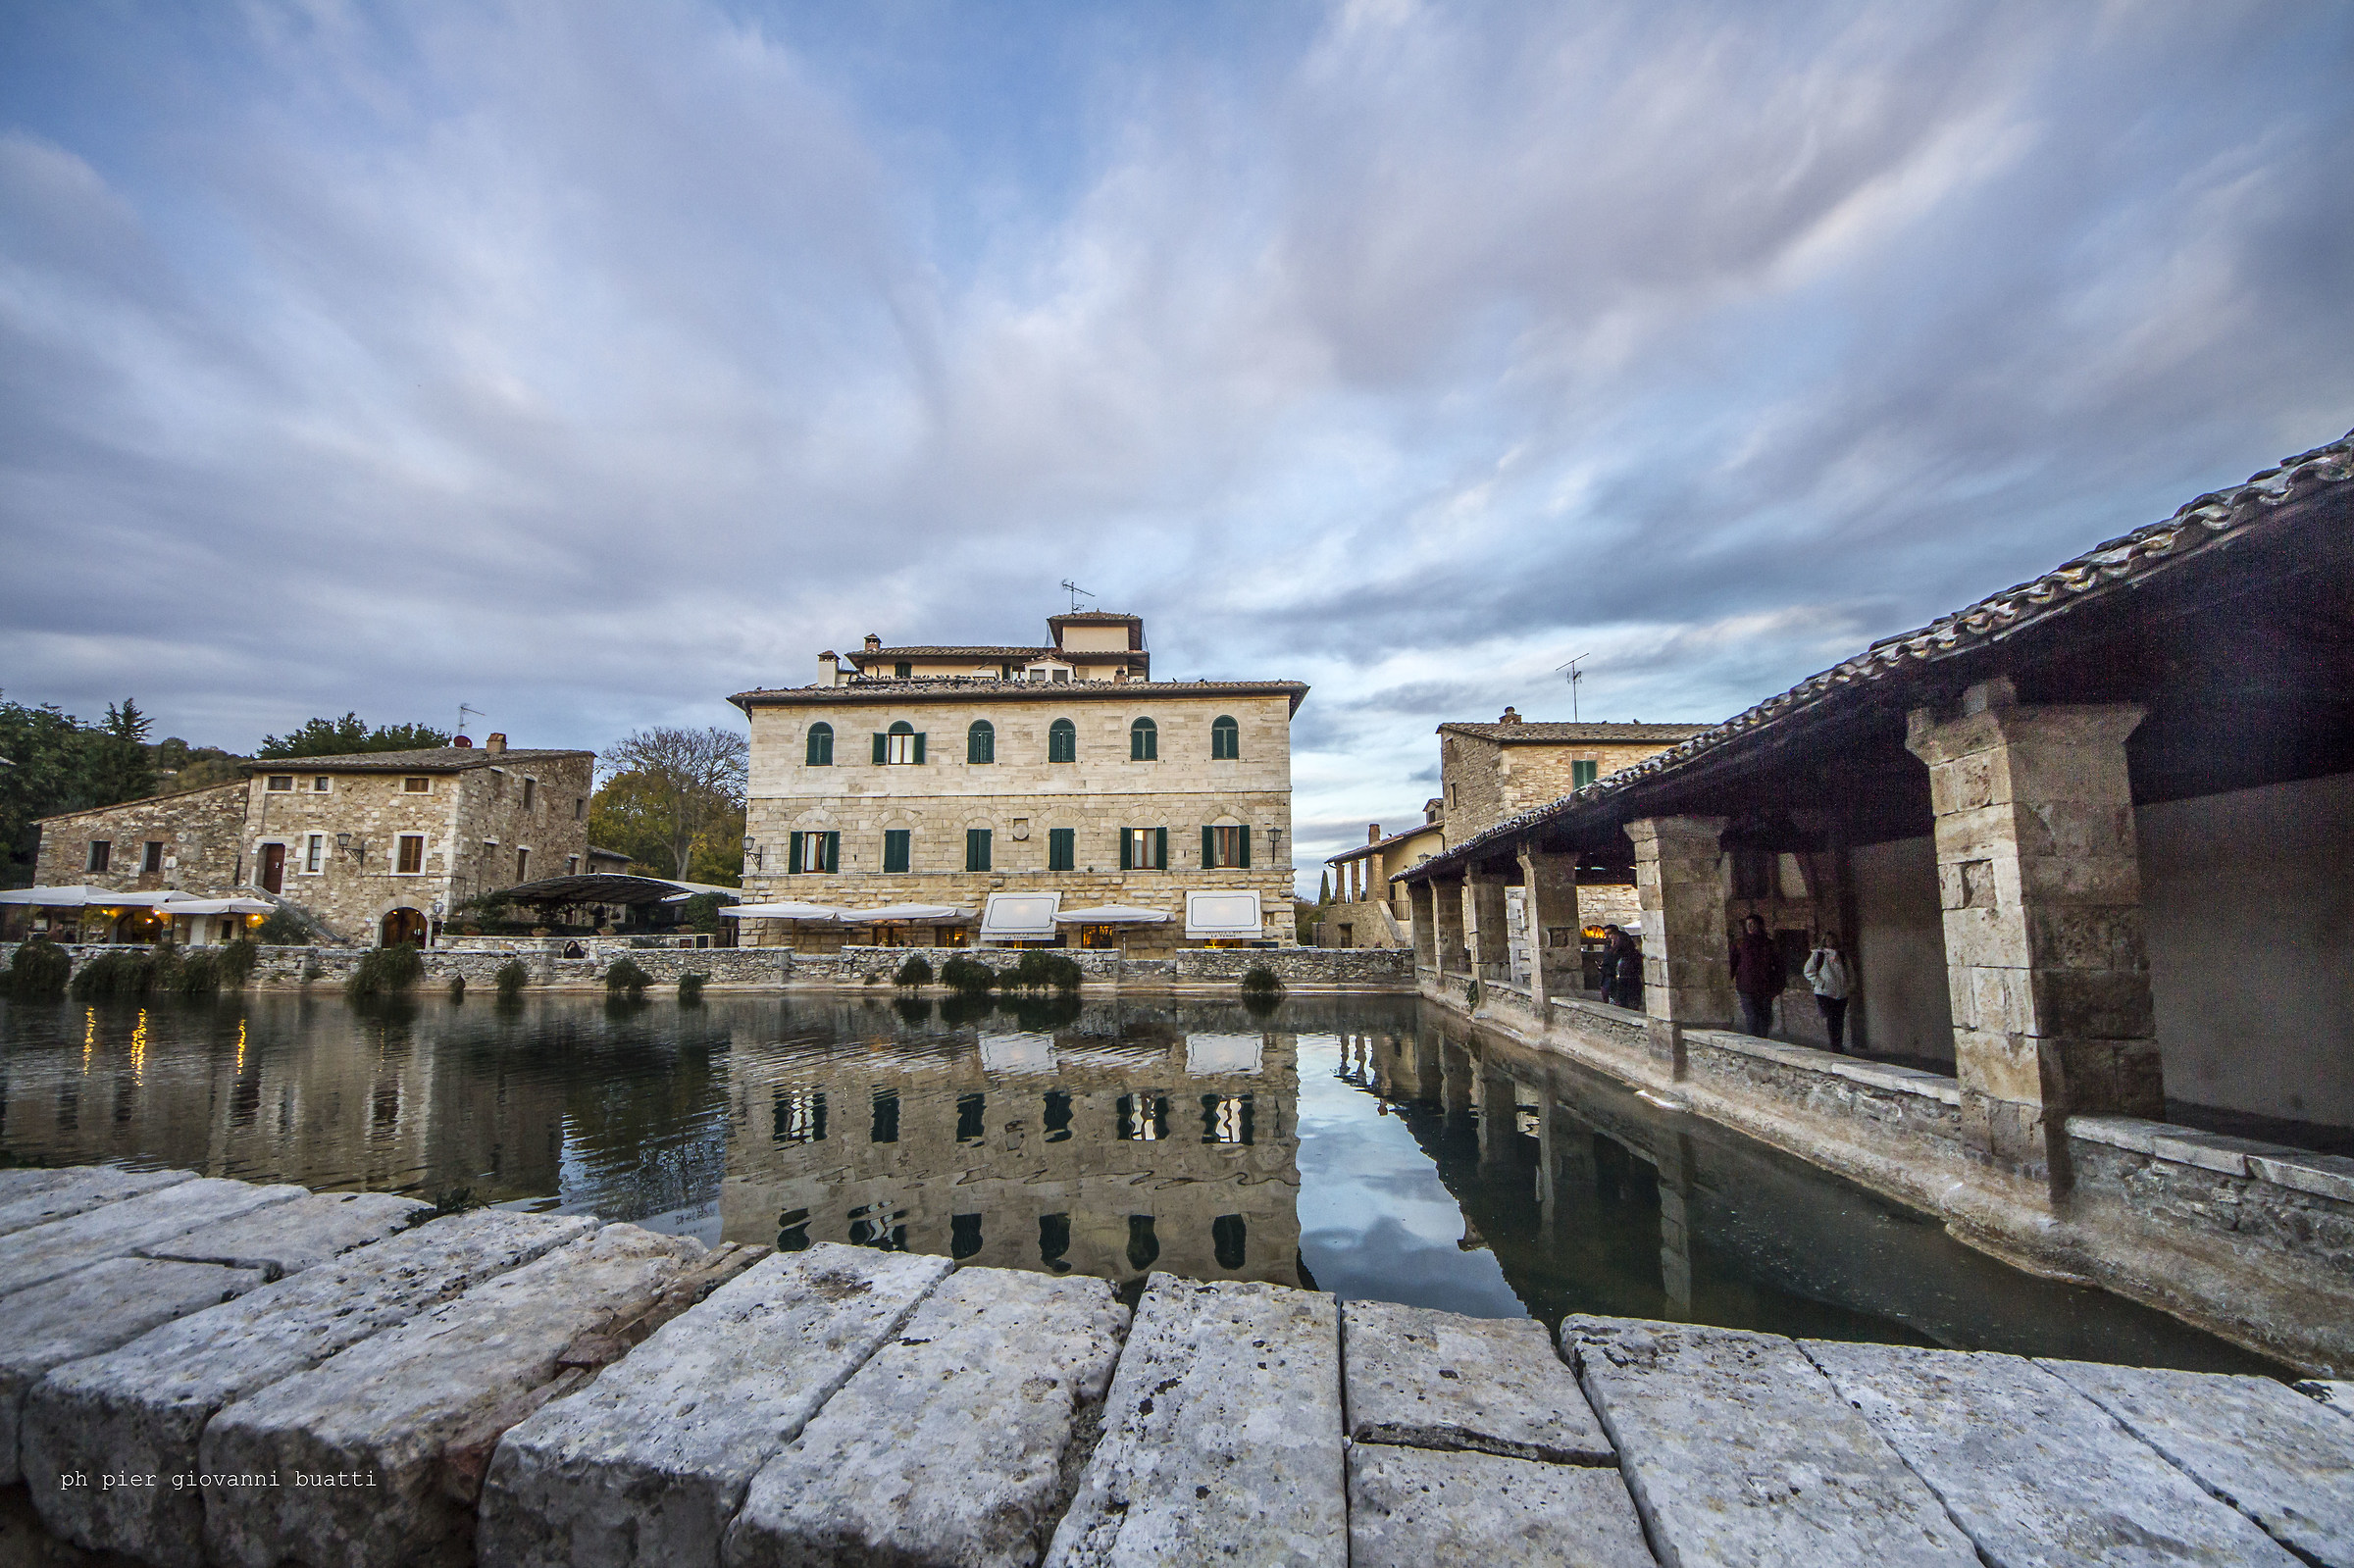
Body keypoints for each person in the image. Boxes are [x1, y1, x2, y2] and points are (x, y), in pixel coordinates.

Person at [1730, 914, 1782, 1038]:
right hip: (1746, 988)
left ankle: (1763, 1043)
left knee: (1764, 1018)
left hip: (1765, 988)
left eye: (1753, 923)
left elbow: (1779, 966)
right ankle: (1754, 1045)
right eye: (1748, 924)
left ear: (1760, 926)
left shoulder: (1769, 945)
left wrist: (1778, 987)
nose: (1750, 926)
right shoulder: (1740, 944)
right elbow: (1732, 963)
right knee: (1752, 1017)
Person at [1803, 934, 1852, 1054]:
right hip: (1825, 993)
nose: (1831, 942)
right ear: (1824, 941)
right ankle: (1835, 1045)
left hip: (1841, 993)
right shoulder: (1818, 955)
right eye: (1829, 940)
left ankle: (1838, 1044)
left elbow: (1849, 972)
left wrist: (1849, 986)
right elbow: (1808, 971)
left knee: (1839, 1019)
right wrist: (1820, 983)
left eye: (1833, 939)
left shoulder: (1842, 956)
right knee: (1832, 1018)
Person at [1610, 929, 1643, 1011]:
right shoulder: (1620, 954)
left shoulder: (1631, 955)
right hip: (1624, 983)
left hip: (1628, 983)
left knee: (1628, 1006)